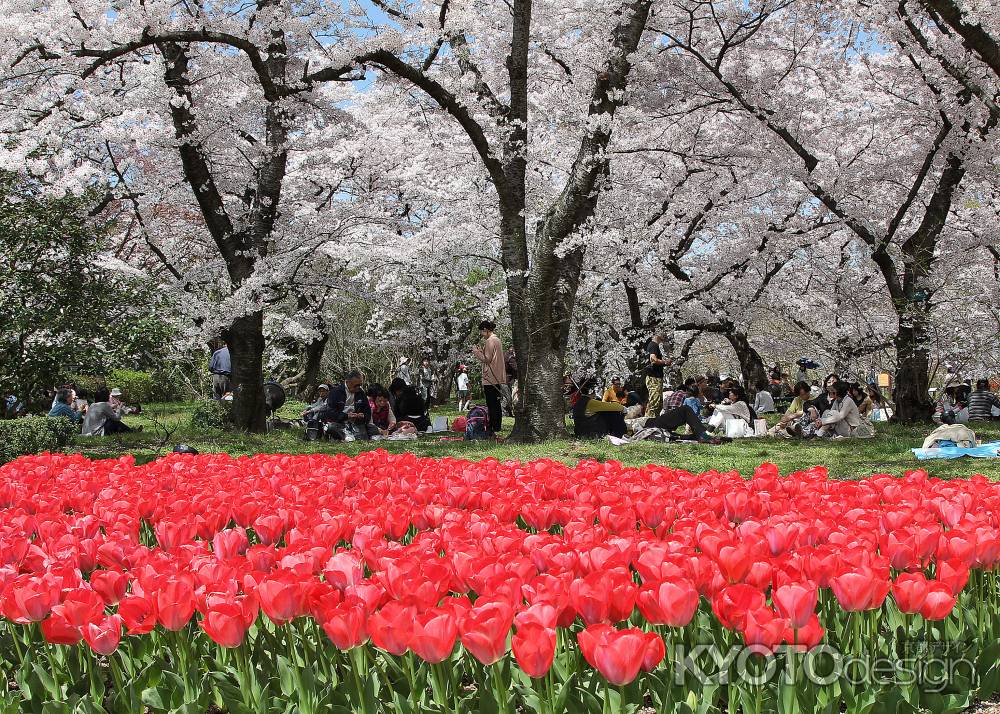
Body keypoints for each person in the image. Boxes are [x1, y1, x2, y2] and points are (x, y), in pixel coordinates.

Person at [472, 320, 505, 437]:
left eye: (482, 331)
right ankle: (497, 425)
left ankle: (493, 426)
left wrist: (476, 352)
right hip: (498, 376)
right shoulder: (497, 340)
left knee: (491, 404)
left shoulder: (490, 341)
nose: (481, 334)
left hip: (490, 377)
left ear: (485, 330)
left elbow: (487, 359)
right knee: (496, 403)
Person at [325, 370, 375, 441]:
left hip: (356, 423)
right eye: (356, 385)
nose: (358, 387)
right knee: (330, 427)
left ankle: (347, 436)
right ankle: (346, 435)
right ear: (347, 382)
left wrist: (362, 416)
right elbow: (330, 412)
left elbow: (368, 413)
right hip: (340, 423)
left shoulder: (361, 393)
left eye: (360, 385)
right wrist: (346, 416)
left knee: (373, 429)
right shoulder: (335, 392)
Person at [644, 334, 672, 418]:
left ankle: (656, 422)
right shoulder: (653, 345)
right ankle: (648, 422)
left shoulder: (653, 345)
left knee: (659, 403)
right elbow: (653, 359)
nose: (665, 334)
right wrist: (665, 362)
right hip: (654, 378)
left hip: (656, 377)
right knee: (654, 402)